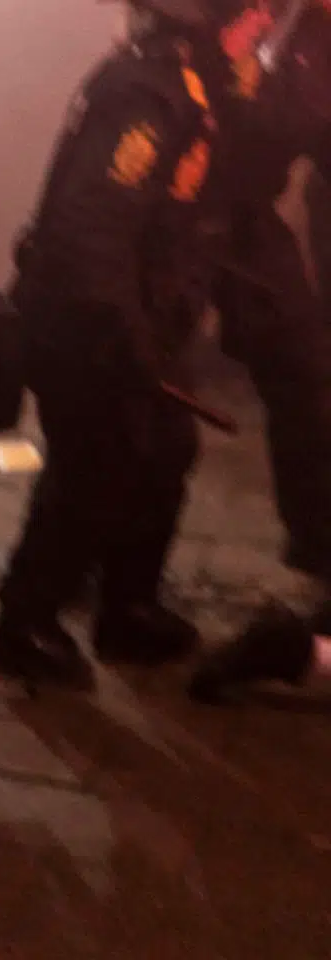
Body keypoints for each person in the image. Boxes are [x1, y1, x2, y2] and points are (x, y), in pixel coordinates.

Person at [0, 0, 270, 689]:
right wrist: (129, 339)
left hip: (140, 322)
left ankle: (128, 608)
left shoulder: (192, 86)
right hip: (91, 324)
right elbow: (93, 227)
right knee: (91, 469)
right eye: (256, 12)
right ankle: (24, 623)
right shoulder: (151, 93)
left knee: (164, 453)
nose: (263, 25)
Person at [214, 0, 331, 583]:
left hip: (246, 215)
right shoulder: (235, 17)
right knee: (133, 393)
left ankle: (316, 539)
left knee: (302, 371)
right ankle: (69, 566)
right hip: (183, 211)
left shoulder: (310, 30)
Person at [189, 600, 331, 701]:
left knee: (279, 637)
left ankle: (216, 671)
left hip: (304, 655)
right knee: (278, 636)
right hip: (304, 654)